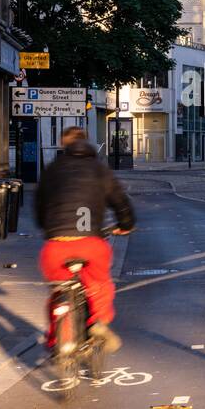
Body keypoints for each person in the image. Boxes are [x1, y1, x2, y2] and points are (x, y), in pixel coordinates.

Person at [35, 126, 135, 353]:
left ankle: (55, 338)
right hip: (91, 244)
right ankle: (98, 321)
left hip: (56, 245)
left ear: (64, 144)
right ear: (87, 143)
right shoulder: (100, 170)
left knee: (58, 289)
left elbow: (39, 206)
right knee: (99, 283)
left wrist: (49, 229)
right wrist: (125, 225)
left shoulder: (52, 170)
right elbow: (121, 202)